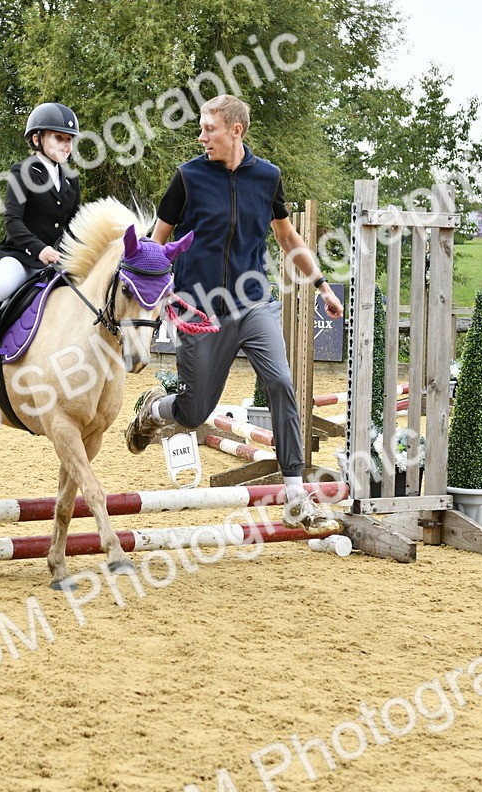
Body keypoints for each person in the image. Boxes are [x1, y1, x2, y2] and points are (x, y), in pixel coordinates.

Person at [124, 95, 344, 527]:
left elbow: (288, 239)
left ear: (235, 130)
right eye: (202, 128)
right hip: (198, 312)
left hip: (253, 303)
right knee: (194, 413)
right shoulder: (187, 177)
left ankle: (296, 497)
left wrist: (321, 285)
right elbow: (158, 242)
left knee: (281, 382)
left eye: (209, 128)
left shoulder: (267, 177)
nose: (201, 136)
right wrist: (155, 294)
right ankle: (153, 411)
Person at [0, 102, 81, 393]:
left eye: (69, 139)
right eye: (59, 137)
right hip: (22, 256)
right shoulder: (22, 173)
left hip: (57, 259)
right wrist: (40, 249)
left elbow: (73, 223)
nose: (66, 144)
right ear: (37, 139)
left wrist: (67, 252)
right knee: (1, 285)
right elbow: (13, 222)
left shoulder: (71, 179)